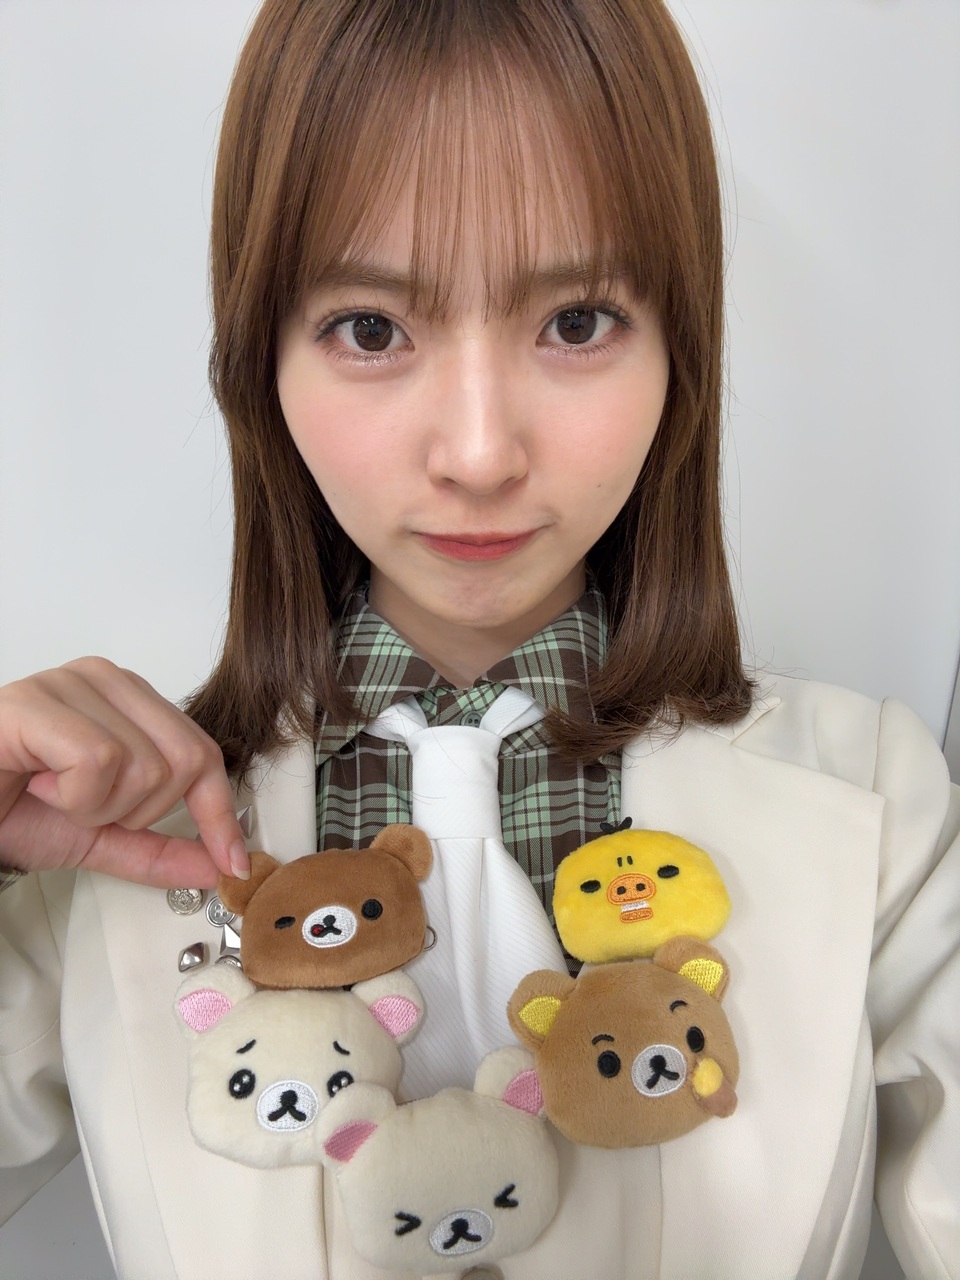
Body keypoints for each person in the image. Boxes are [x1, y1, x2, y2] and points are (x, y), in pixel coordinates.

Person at [0, 1, 957, 1278]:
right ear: (261, 363)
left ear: (681, 345)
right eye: (371, 328)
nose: (479, 453)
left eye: (577, 322)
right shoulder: (97, 830)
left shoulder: (876, 798)